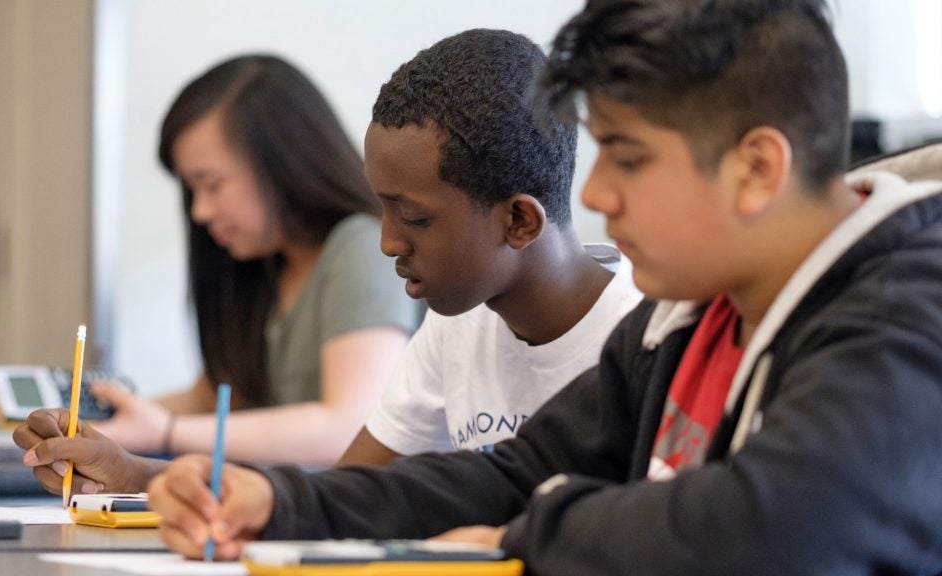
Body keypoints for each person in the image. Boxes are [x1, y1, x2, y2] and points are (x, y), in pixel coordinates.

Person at [146, 2, 942, 574]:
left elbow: (776, 526)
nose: (594, 194)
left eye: (627, 157)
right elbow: (515, 474)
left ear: (757, 169)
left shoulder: (904, 312)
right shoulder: (687, 317)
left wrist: (521, 538)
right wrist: (281, 505)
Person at [13, 55, 422, 494]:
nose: (200, 211)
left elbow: (348, 424)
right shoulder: (263, 268)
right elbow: (209, 397)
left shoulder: (361, 246)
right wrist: (103, 425)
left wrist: (165, 431)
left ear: (283, 162)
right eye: (192, 190)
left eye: (212, 184)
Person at [337, 28, 640, 466]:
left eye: (415, 219)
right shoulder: (459, 323)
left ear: (519, 221)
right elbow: (355, 490)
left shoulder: (644, 340)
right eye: (382, 210)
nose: (388, 243)